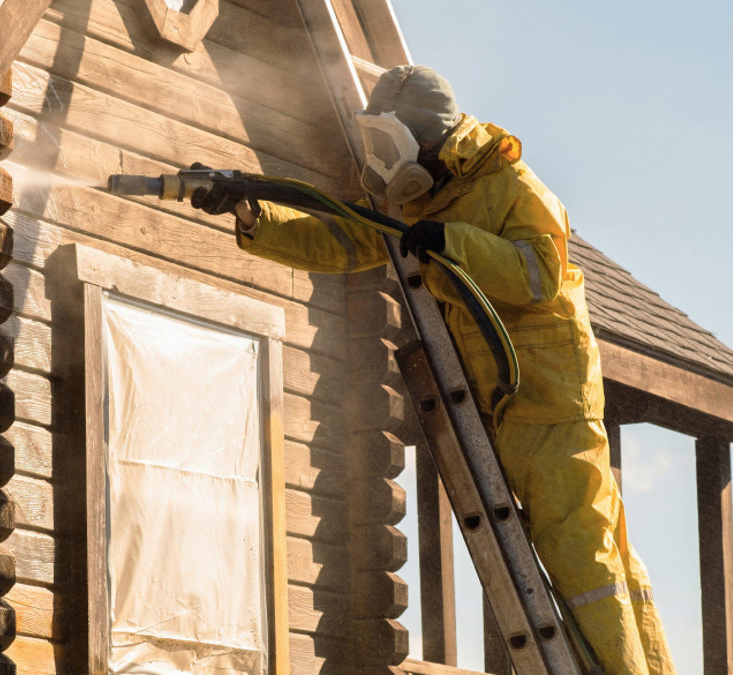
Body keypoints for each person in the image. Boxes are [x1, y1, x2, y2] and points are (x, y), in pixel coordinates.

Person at [191, 65, 676, 675]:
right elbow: (345, 241)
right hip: (498, 394)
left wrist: (453, 242)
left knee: (584, 555)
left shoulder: (511, 184)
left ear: (430, 139)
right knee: (589, 549)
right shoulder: (416, 199)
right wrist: (256, 216)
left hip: (550, 396)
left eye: (392, 142)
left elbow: (539, 274)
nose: (383, 159)